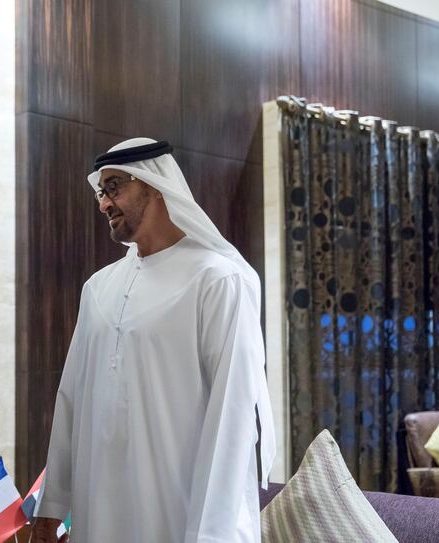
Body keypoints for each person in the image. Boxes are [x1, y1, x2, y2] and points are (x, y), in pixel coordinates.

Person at [30, 138, 275, 542]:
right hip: (98, 512)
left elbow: (230, 414)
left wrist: (213, 532)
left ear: (154, 184)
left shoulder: (215, 279)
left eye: (114, 188)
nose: (103, 204)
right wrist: (51, 507)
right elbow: (71, 399)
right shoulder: (98, 288)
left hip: (181, 515)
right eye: (100, 192)